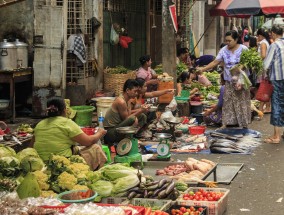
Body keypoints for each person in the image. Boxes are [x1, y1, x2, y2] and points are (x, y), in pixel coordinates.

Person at [197, 30, 251, 129]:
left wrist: (241, 67)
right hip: (229, 82)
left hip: (241, 82)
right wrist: (202, 69)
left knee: (242, 102)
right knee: (228, 102)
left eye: (229, 40)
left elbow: (249, 62)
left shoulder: (244, 49)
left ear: (236, 40)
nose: (227, 43)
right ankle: (227, 123)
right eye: (226, 40)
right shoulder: (223, 50)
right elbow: (215, 62)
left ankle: (243, 123)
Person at [32, 97, 107, 161]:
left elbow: (31, 146)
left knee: (75, 148)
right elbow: (88, 141)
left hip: (41, 162)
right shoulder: (67, 123)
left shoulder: (39, 124)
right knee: (95, 147)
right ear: (65, 110)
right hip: (62, 163)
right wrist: (99, 133)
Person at [103, 79, 147, 146]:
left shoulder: (128, 100)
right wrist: (140, 110)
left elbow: (128, 115)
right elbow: (127, 119)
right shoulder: (121, 102)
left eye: (137, 92)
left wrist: (141, 110)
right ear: (127, 90)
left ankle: (131, 136)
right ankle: (127, 138)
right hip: (110, 132)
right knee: (133, 119)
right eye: (135, 91)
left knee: (142, 116)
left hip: (118, 127)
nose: (136, 94)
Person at [263, 25, 284, 144]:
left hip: (278, 78)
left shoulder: (274, 45)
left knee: (277, 104)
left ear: (274, 34)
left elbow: (266, 64)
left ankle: (276, 136)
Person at [256, 28, 271, 113]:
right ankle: (267, 106)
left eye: (258, 36)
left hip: (263, 67)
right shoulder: (266, 42)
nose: (257, 38)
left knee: (263, 87)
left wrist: (255, 60)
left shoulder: (263, 43)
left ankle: (261, 107)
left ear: (260, 36)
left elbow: (263, 55)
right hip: (265, 67)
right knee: (266, 87)